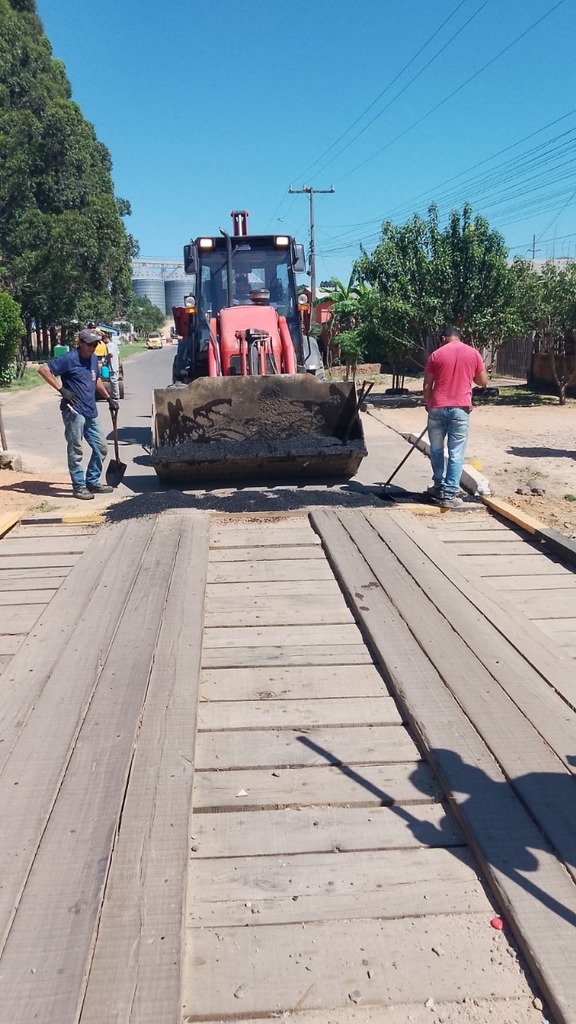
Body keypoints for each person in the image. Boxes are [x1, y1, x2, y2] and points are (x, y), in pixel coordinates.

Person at [38, 328, 119, 500]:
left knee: (101, 448)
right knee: (76, 449)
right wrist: (62, 390)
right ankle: (79, 486)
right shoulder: (69, 358)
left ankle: (92, 482)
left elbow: (95, 378)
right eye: (90, 344)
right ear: (80, 343)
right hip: (73, 411)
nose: (93, 347)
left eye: (96, 344)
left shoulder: (93, 359)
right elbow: (44, 370)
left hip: (91, 410)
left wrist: (108, 397)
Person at [423, 326, 488, 509]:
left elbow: (427, 385)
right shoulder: (473, 353)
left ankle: (438, 486)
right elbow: (483, 381)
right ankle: (449, 494)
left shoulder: (436, 355)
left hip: (437, 407)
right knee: (456, 452)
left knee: (436, 450)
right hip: (460, 409)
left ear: (443, 338)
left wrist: (428, 405)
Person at [104, 331, 121, 401]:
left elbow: (111, 354)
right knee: (114, 380)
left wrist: (105, 359)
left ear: (105, 339)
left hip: (112, 365)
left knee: (113, 381)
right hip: (116, 364)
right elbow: (118, 353)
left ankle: (116, 395)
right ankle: (114, 394)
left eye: (103, 340)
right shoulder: (114, 344)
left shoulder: (108, 345)